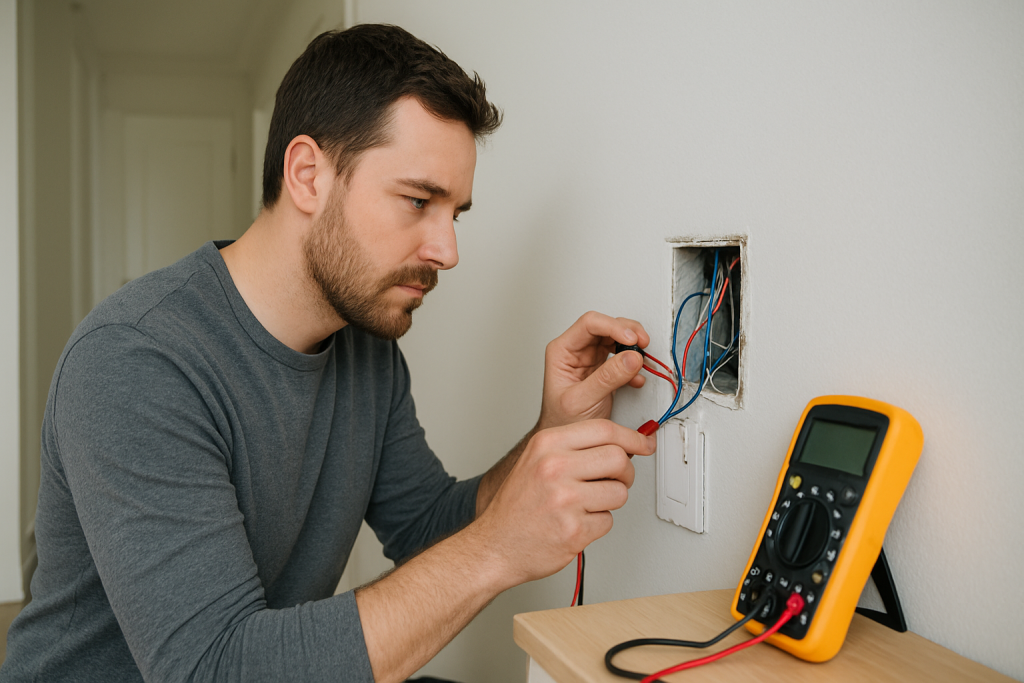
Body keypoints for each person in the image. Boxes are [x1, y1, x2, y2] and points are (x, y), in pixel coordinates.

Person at [0, 24, 655, 683]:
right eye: (419, 200)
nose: (447, 251)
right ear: (307, 174)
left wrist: (551, 433)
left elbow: (428, 527)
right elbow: (214, 669)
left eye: (455, 213)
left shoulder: (365, 346)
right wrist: (496, 550)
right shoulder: (136, 361)